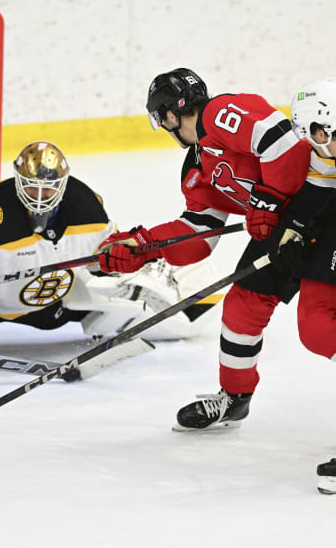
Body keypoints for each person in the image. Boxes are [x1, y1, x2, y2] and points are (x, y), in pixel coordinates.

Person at [97, 67, 311, 430]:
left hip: (319, 212)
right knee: (243, 303)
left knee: (321, 320)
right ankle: (235, 398)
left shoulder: (220, 114)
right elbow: (200, 232)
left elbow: (283, 142)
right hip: (282, 234)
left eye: (161, 118)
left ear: (168, 114)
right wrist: (145, 246)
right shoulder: (197, 164)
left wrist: (270, 199)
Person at [0, 140, 218, 388]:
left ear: (63, 184)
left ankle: (169, 292)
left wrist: (122, 261)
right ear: (17, 181)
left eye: (47, 189)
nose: (38, 197)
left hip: (53, 310)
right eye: (31, 187)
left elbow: (106, 258)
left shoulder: (85, 207)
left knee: (155, 305)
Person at [271, 78, 336, 494]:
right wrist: (293, 229)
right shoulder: (327, 154)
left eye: (314, 135)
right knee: (315, 322)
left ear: (324, 127)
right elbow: (319, 188)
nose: (314, 145)